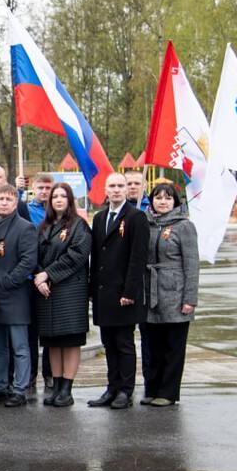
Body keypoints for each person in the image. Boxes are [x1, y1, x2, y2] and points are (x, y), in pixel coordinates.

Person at [88, 172, 150, 410]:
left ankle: (125, 390)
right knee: (108, 343)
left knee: (124, 343)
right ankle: (112, 388)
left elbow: (138, 258)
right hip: (103, 293)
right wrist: (92, 289)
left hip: (124, 293)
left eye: (120, 186)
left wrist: (130, 292)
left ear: (126, 190)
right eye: (112, 186)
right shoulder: (100, 217)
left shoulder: (136, 217)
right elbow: (97, 256)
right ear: (105, 189)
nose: (116, 190)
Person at [33, 182, 92, 407]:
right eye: (54, 196)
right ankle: (56, 387)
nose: (58, 200)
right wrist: (39, 277)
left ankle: (67, 389)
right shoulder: (44, 226)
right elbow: (34, 254)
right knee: (53, 342)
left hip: (70, 291)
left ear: (70, 200)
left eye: (63, 196)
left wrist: (48, 274)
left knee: (70, 341)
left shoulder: (79, 225)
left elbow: (76, 255)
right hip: (46, 292)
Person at [142, 183, 199, 406]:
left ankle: (168, 392)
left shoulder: (184, 226)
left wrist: (190, 299)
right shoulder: (145, 223)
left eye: (167, 198)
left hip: (175, 292)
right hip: (149, 292)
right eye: (158, 198)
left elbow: (192, 264)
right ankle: (152, 388)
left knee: (173, 346)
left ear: (175, 201)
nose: (163, 202)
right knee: (151, 345)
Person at [0, 185, 38, 406]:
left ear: (16, 203)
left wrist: (9, 281)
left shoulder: (25, 227)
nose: (4, 202)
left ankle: (20, 389)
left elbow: (28, 260)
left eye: (9, 199)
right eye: (0, 198)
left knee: (20, 347)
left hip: (14, 295)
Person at [25, 172, 55, 393]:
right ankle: (31, 374)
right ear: (33, 188)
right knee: (30, 331)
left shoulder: (59, 212)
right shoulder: (26, 210)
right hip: (31, 278)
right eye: (40, 188)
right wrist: (36, 273)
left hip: (52, 277)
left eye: (48, 188)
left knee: (50, 331)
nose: (44, 192)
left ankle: (50, 373)